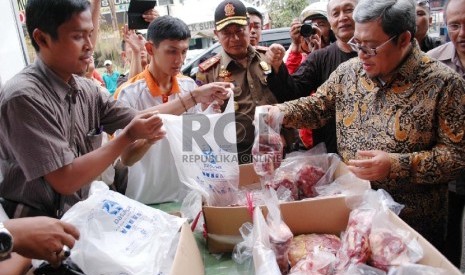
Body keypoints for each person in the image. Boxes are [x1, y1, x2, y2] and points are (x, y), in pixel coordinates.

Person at [265, 0, 465, 252]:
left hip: (411, 228)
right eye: (357, 44)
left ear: (403, 39)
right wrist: (278, 112)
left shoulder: (444, 84)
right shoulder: (349, 72)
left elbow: (456, 157)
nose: (360, 55)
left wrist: (395, 165)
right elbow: (318, 107)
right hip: (354, 216)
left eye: (370, 47)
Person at [0, 0, 166, 219]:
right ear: (42, 38)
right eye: (78, 36)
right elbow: (66, 180)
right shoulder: (24, 98)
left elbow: (139, 118)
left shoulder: (86, 89)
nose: (89, 45)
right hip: (37, 228)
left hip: (82, 216)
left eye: (90, 34)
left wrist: (192, 99)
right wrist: (127, 137)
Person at [115, 15, 230, 204]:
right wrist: (147, 140)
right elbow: (126, 158)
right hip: (145, 199)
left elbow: (194, 146)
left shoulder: (189, 87)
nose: (180, 60)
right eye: (172, 52)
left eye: (184, 52)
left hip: (186, 196)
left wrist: (209, 116)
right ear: (150, 49)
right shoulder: (129, 93)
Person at [195, 0, 292, 164]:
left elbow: (289, 97)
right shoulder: (208, 72)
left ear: (249, 28)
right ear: (216, 34)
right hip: (237, 157)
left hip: (279, 148)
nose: (235, 38)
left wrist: (287, 135)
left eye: (240, 30)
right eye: (226, 33)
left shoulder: (269, 58)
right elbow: (204, 121)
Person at [267, 0, 358, 153]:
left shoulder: (379, 53)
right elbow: (292, 93)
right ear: (331, 20)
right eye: (336, 13)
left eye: (348, 10)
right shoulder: (319, 58)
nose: (342, 17)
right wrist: (277, 67)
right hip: (331, 154)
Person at [427, 0, 465, 267]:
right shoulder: (432, 64)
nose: (462, 33)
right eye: (455, 25)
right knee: (447, 239)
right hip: (448, 169)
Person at [285, 2, 335, 74]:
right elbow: (289, 80)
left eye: (321, 24)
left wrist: (317, 54)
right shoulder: (298, 55)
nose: (314, 28)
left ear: (330, 29)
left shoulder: (337, 53)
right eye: (309, 25)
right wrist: (296, 46)